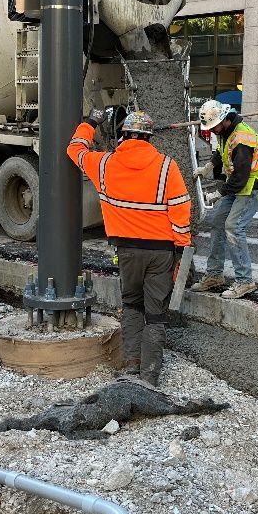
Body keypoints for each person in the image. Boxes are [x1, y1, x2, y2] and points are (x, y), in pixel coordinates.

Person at [67, 108, 191, 387]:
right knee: (155, 313)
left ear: (123, 135)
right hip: (162, 252)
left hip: (127, 252)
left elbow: (74, 149)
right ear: (149, 137)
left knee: (132, 306)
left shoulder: (103, 164)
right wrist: (182, 249)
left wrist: (90, 123)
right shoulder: (166, 166)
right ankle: (150, 376)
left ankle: (132, 367)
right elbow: (181, 210)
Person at [189, 99, 258, 299]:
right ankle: (214, 275)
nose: (212, 131)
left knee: (234, 227)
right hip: (241, 182)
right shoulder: (224, 131)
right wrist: (208, 167)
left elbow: (240, 178)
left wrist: (219, 193)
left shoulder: (243, 137)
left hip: (256, 184)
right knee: (218, 223)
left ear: (224, 120)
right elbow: (222, 151)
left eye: (214, 127)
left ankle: (245, 281)